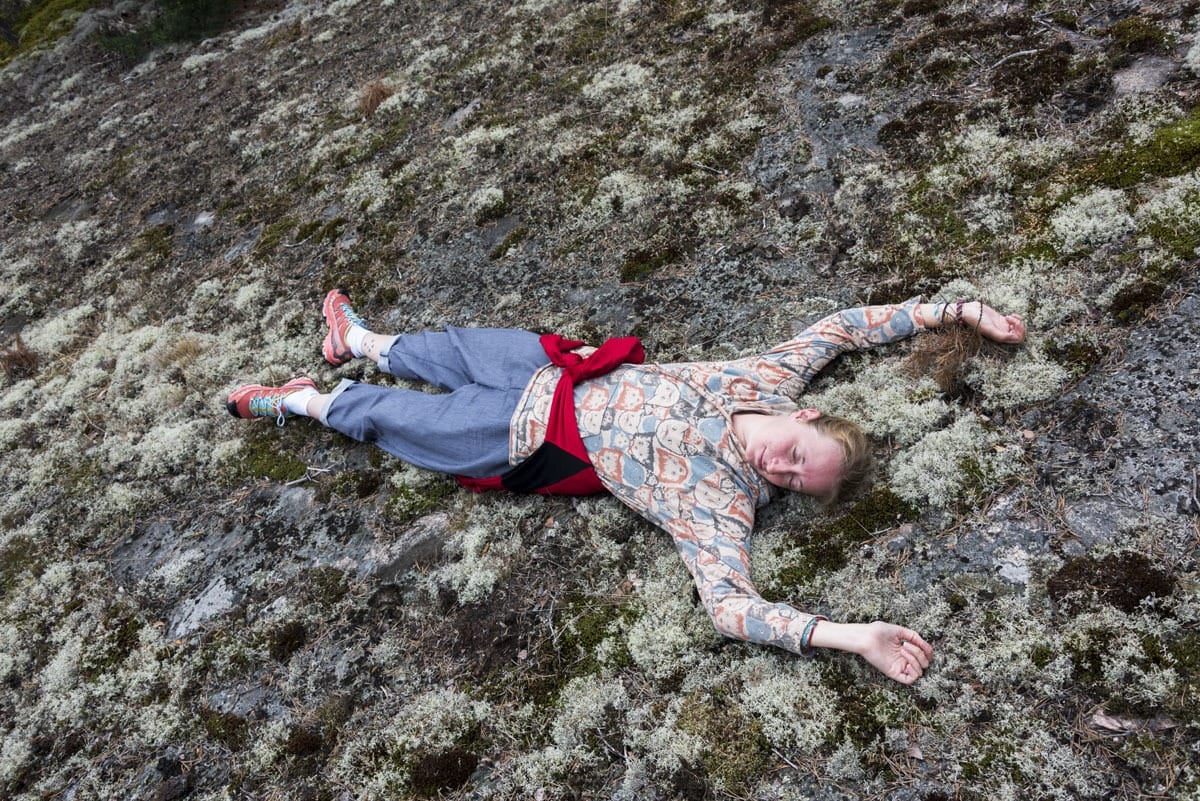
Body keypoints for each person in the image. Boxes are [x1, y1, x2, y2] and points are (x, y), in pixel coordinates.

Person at [227, 290, 1026, 684]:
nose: (780, 468)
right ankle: (358, 340)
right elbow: (845, 328)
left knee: (402, 422)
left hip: (525, 443)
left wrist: (853, 635)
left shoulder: (721, 504)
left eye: (794, 481)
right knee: (455, 349)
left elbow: (729, 606)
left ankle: (302, 400)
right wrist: (954, 310)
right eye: (795, 451)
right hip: (557, 367)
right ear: (803, 412)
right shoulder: (766, 377)